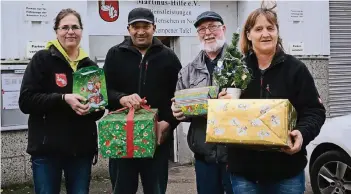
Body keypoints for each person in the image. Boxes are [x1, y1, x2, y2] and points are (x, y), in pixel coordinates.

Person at [218, 4, 326, 194]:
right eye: (258, 29)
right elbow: (224, 115)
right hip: (245, 174)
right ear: (248, 34)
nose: (265, 34)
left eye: (270, 28)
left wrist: (302, 134)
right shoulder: (235, 71)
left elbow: (314, 111)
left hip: (287, 173)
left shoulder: (296, 69)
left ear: (277, 32)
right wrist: (222, 104)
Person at [18, 8, 104, 194]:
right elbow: (26, 101)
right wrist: (63, 99)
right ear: (56, 31)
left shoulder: (90, 66)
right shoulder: (42, 59)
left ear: (81, 31)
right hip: (47, 150)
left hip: (81, 151)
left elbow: (98, 110)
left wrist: (93, 107)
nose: (70, 31)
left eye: (75, 27)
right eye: (65, 27)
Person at [103, 7, 182, 194]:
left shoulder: (168, 57)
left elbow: (180, 96)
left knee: (155, 189)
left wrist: (169, 123)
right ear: (128, 29)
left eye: (145, 26)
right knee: (122, 189)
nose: (140, 31)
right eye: (135, 26)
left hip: (157, 139)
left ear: (154, 27)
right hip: (121, 138)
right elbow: (103, 93)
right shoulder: (114, 54)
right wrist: (120, 98)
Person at [171, 11, 233, 194]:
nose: (208, 32)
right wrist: (178, 112)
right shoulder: (188, 71)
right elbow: (182, 105)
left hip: (236, 155)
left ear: (223, 29)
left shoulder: (241, 64)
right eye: (202, 29)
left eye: (213, 26)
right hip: (204, 153)